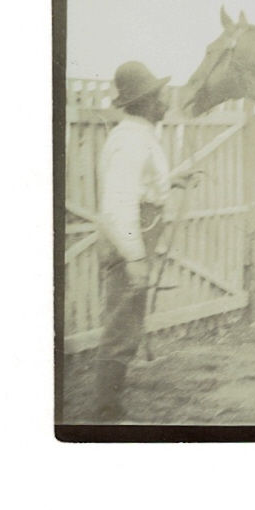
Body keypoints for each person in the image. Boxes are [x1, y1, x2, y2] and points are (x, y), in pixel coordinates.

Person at [92, 60, 178, 422]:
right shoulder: (130, 140)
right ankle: (106, 412)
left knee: (126, 320)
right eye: (160, 97)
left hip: (137, 231)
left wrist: (173, 180)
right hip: (130, 236)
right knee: (122, 325)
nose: (166, 103)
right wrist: (134, 257)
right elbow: (118, 204)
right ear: (145, 102)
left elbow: (141, 183)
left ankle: (109, 405)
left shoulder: (138, 135)